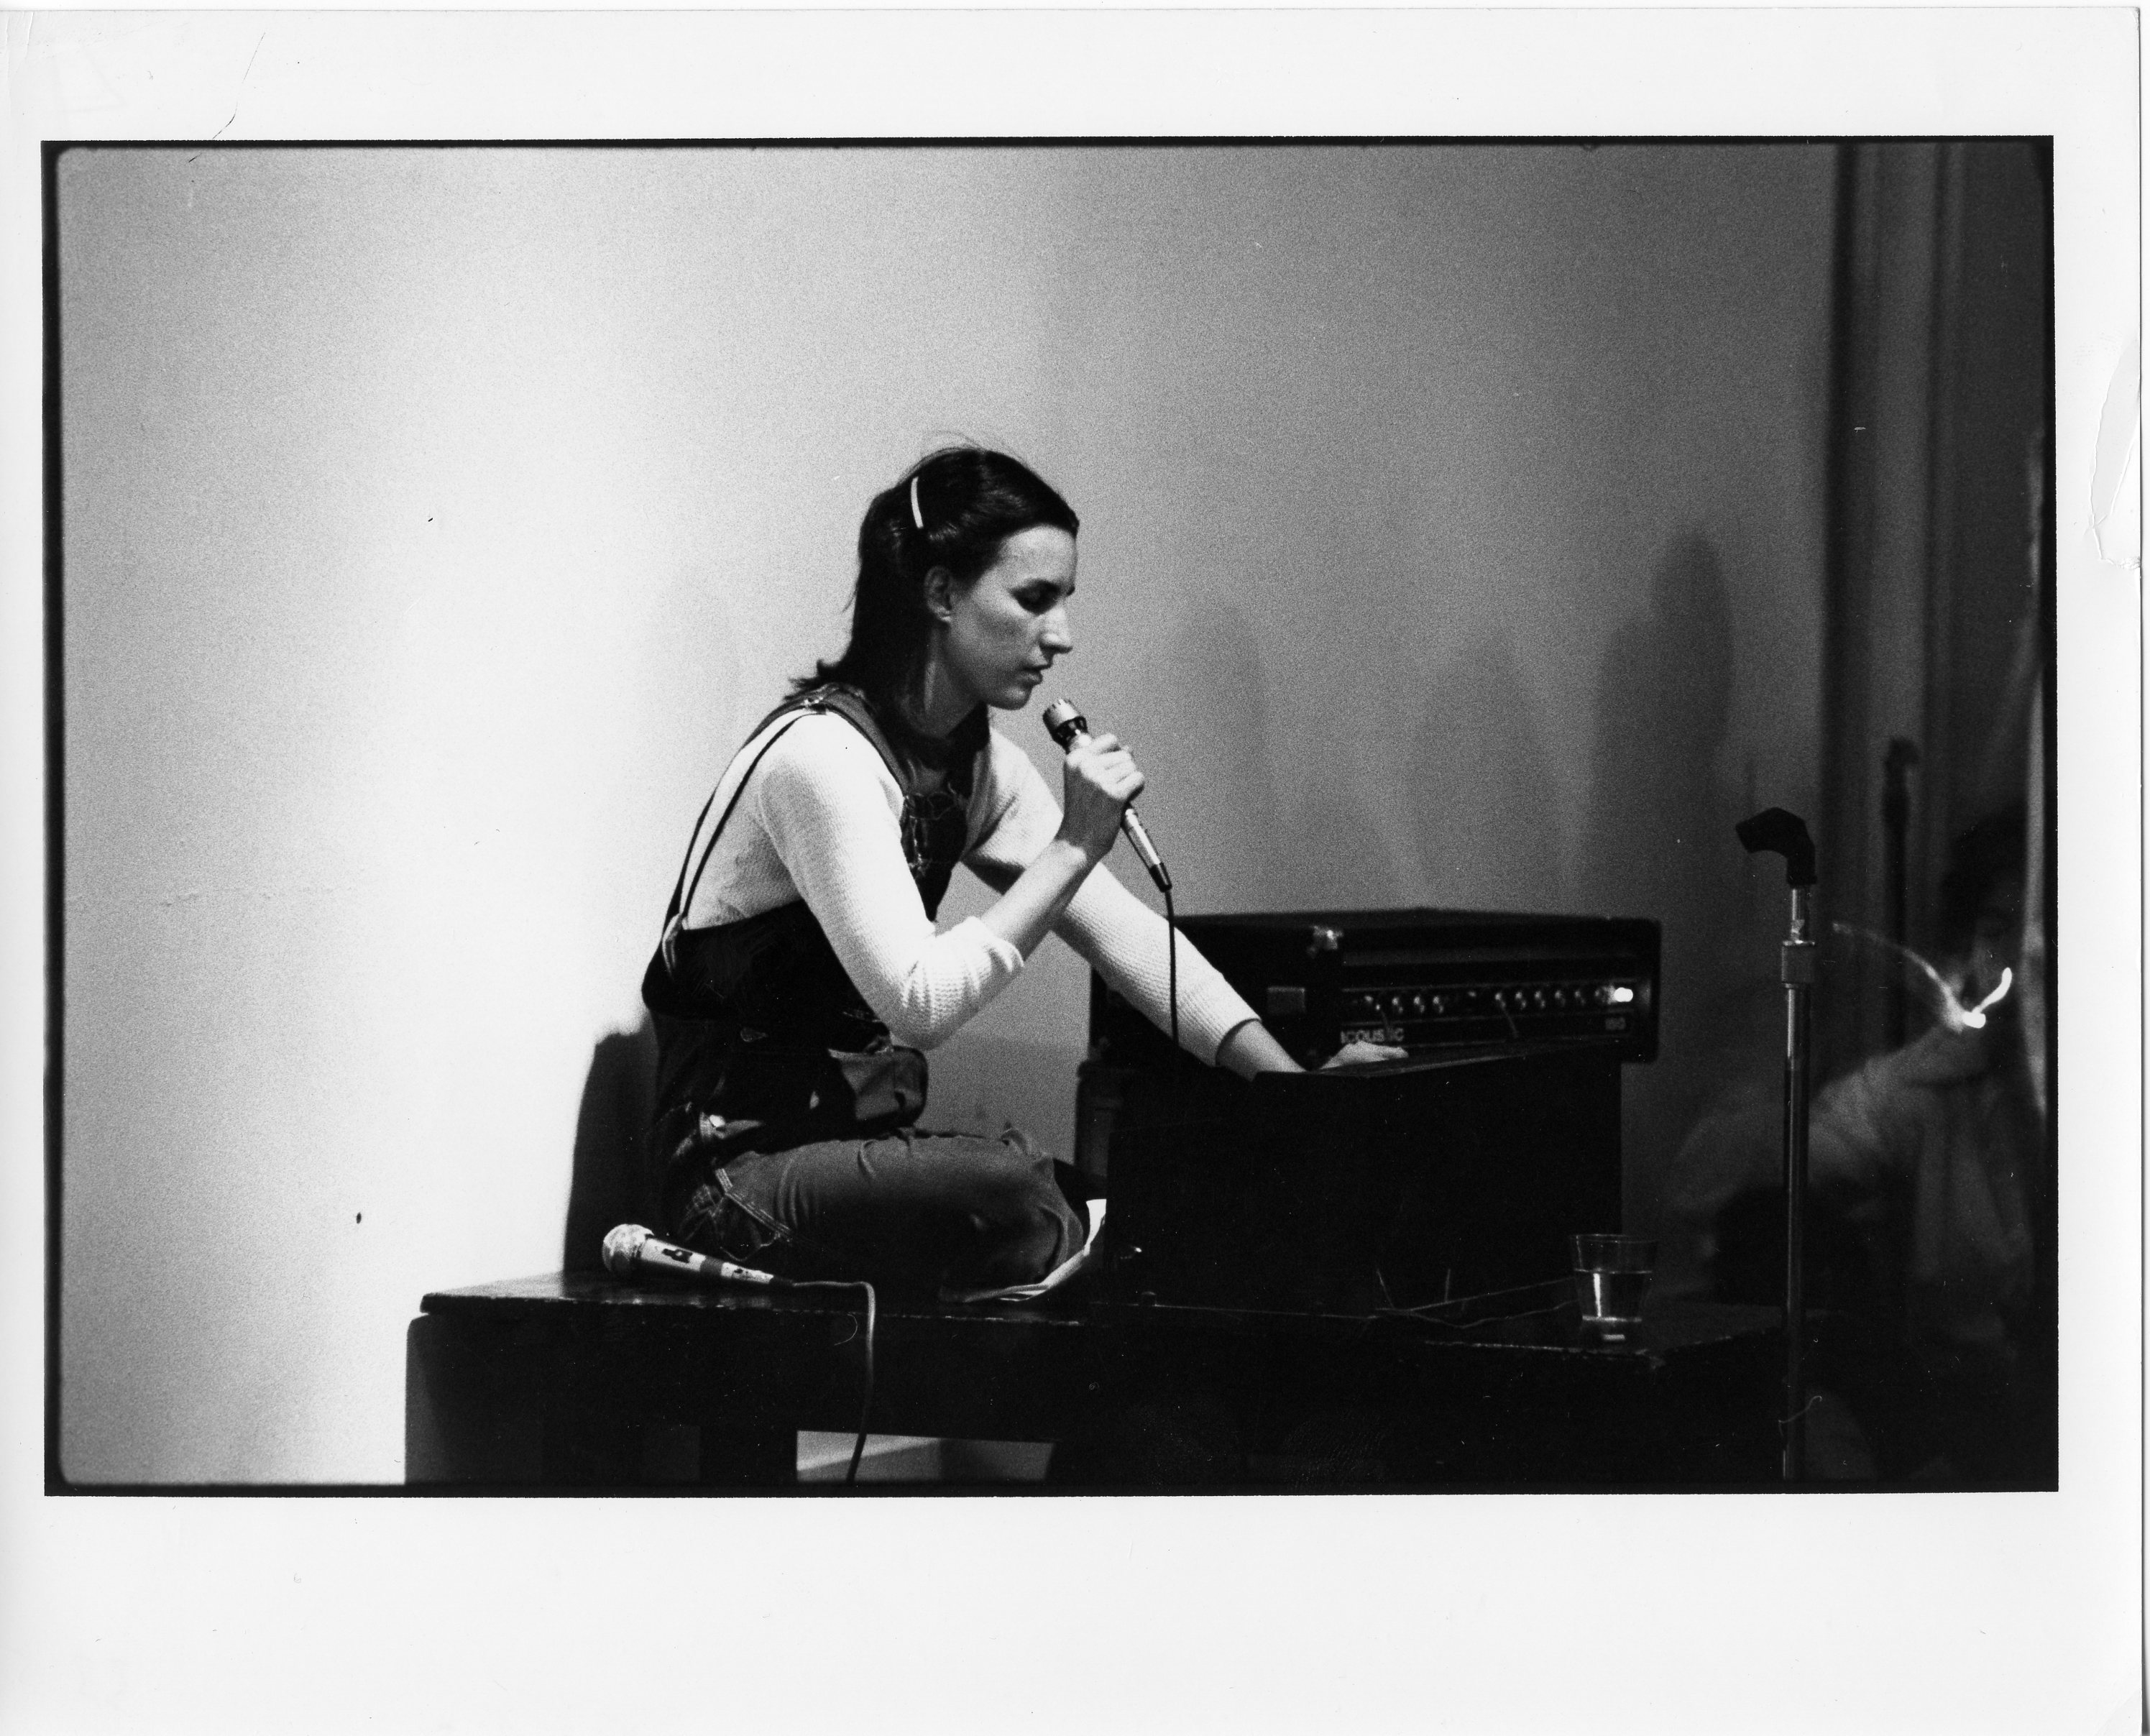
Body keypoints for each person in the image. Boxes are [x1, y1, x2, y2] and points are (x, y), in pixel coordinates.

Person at [642, 446, 1373, 1300]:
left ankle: (1134, 1233)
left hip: (847, 1157)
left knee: (1053, 1192)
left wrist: (1294, 1093)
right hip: (733, 1181)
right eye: (1034, 600)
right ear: (943, 593)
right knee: (1023, 1189)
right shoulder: (821, 759)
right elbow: (919, 1005)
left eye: (1064, 603)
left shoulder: (975, 764)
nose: (1059, 636)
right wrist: (1071, 847)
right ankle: (1141, 1231)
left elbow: (1131, 939)